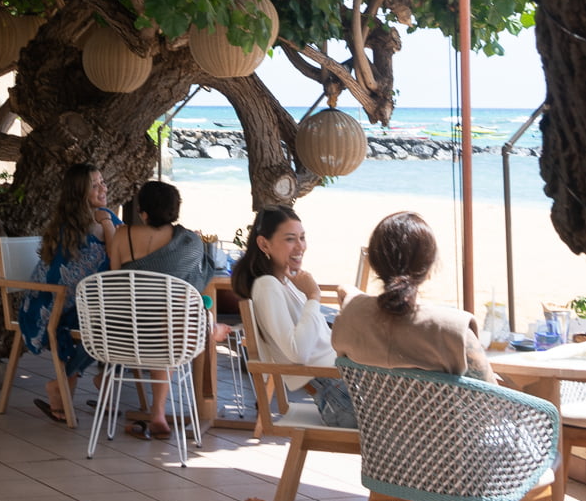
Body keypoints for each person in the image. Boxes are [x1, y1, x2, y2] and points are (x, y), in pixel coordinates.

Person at [331, 210, 523, 501]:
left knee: (494, 442)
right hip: (454, 471)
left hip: (389, 462)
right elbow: (492, 404)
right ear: (430, 265)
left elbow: (352, 310)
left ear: (372, 262)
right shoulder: (449, 328)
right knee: (543, 446)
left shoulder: (351, 319)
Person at [110, 179, 221, 438]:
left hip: (120, 334)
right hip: (169, 336)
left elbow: (113, 280)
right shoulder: (189, 242)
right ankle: (158, 411)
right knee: (171, 322)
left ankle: (154, 412)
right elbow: (198, 281)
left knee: (159, 320)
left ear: (143, 211)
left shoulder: (120, 235)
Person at [229, 204, 358, 428]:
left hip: (345, 382)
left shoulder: (285, 283)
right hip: (338, 395)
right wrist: (313, 295)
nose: (300, 246)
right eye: (290, 239)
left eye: (302, 237)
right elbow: (297, 352)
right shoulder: (267, 286)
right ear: (264, 244)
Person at [19, 163, 117, 423]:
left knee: (118, 318)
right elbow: (115, 256)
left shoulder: (105, 217)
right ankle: (82, 382)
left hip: (84, 303)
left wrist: (107, 220)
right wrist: (107, 223)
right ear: (79, 193)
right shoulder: (75, 227)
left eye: (103, 182)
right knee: (109, 323)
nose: (103, 188)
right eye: (94, 185)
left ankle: (79, 382)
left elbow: (121, 253)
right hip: (51, 304)